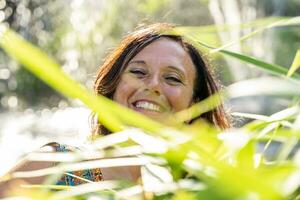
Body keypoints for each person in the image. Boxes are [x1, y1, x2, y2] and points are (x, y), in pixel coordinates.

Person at [0, 23, 230, 195]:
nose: (152, 86)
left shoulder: (208, 188)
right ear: (114, 86)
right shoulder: (59, 167)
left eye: (172, 78)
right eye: (138, 72)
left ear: (196, 101)